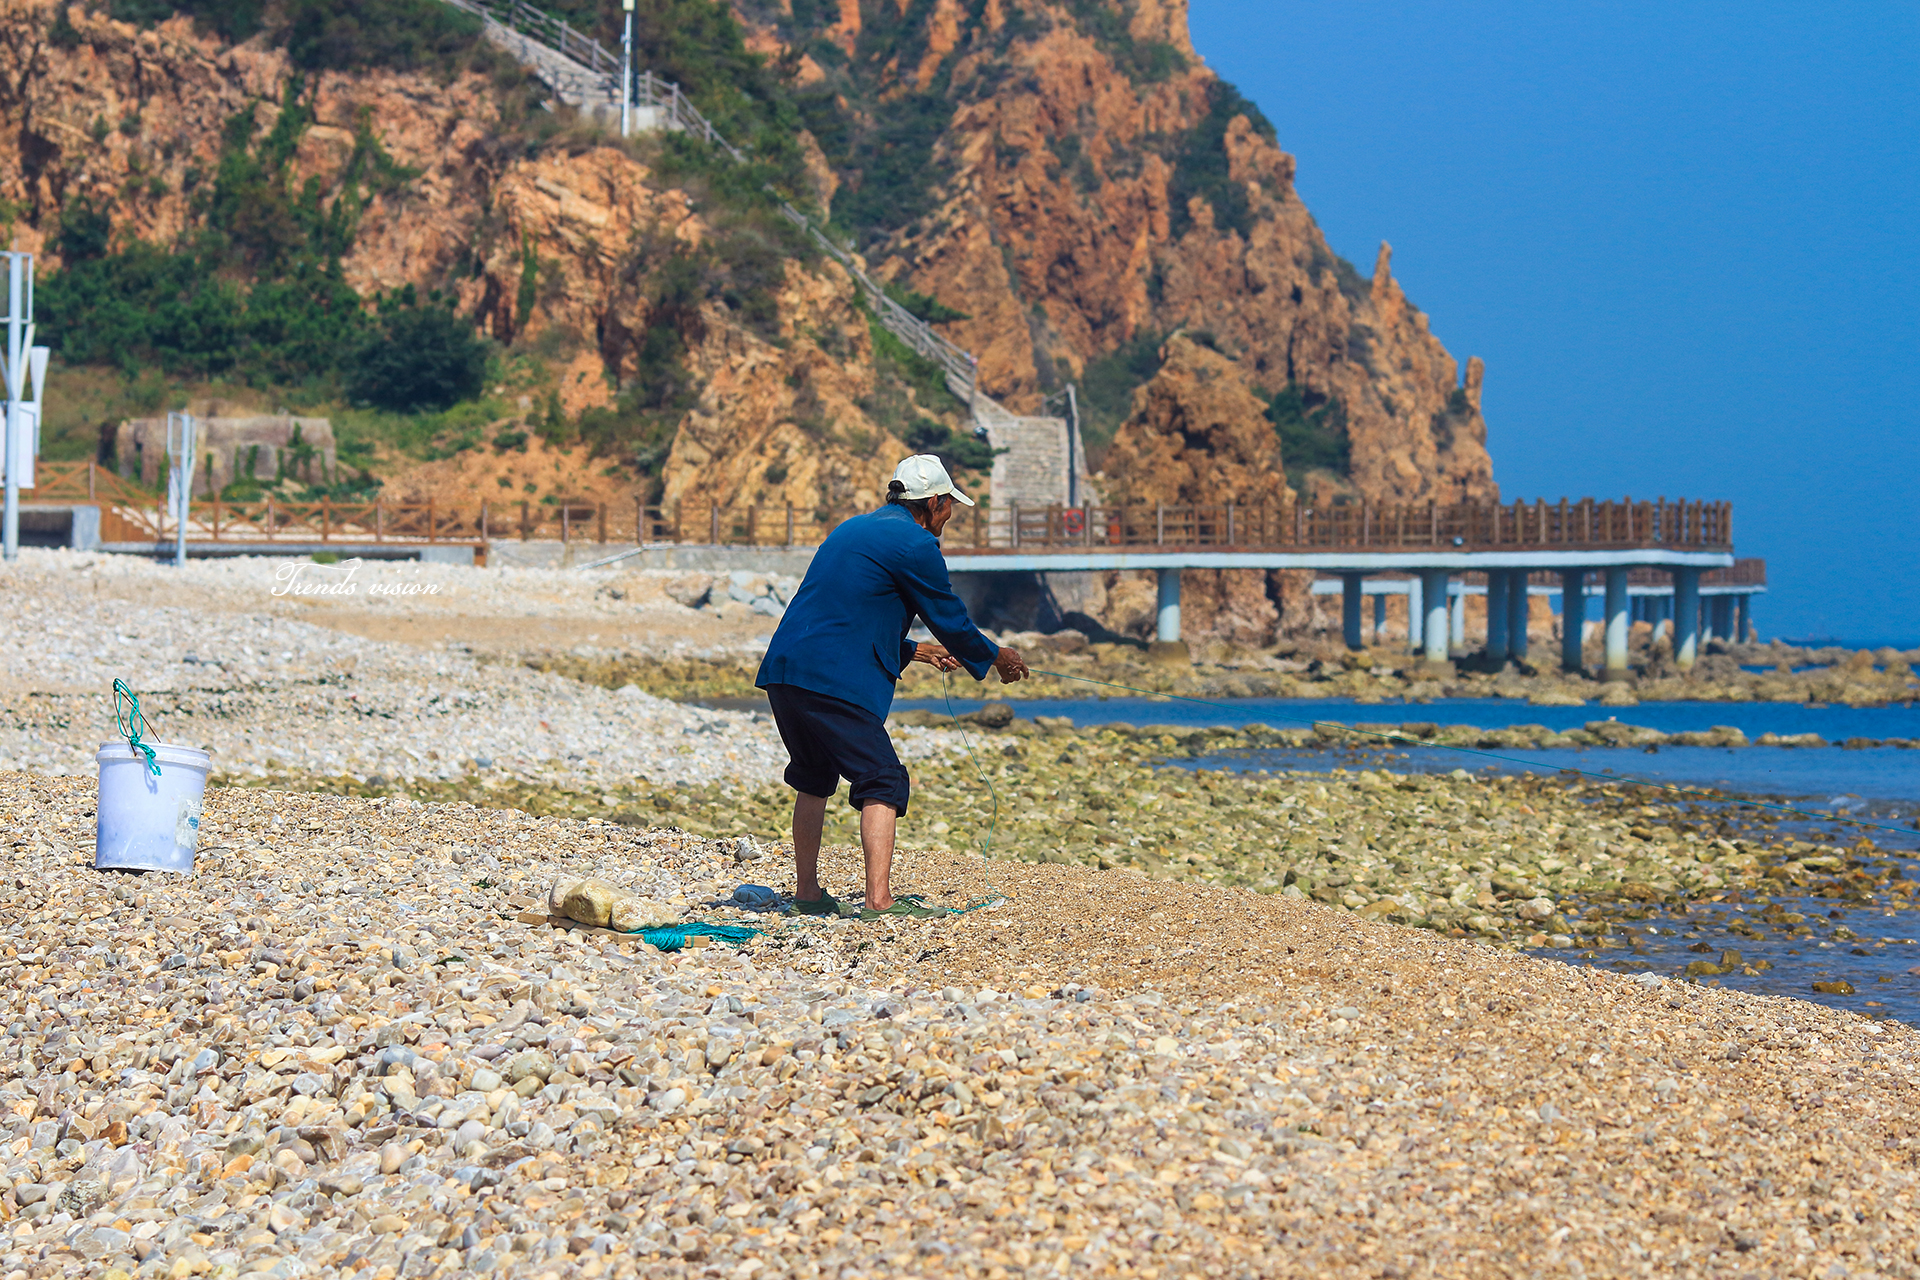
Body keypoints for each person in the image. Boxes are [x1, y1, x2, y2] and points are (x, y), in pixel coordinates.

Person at [755, 455, 1028, 919]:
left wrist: (915, 651)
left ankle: (807, 894)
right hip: (832, 678)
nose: (950, 516)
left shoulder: (851, 529)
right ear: (934, 502)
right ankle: (879, 902)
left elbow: (843, 614)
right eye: (949, 506)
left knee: (813, 773)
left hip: (787, 668)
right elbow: (950, 618)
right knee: (882, 778)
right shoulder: (916, 544)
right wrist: (996, 656)